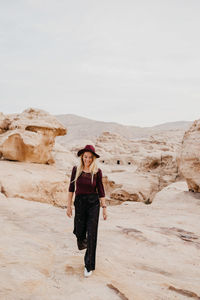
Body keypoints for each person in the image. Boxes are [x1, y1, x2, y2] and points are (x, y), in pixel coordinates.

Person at [66, 144, 107, 277]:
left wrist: (104, 208)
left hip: (93, 204)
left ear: (93, 158)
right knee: (79, 231)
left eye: (90, 157)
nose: (87, 159)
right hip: (79, 203)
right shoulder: (76, 169)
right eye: (85, 157)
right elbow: (71, 189)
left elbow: (101, 190)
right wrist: (68, 206)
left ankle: (89, 265)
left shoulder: (97, 171)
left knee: (92, 234)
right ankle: (84, 244)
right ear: (82, 157)